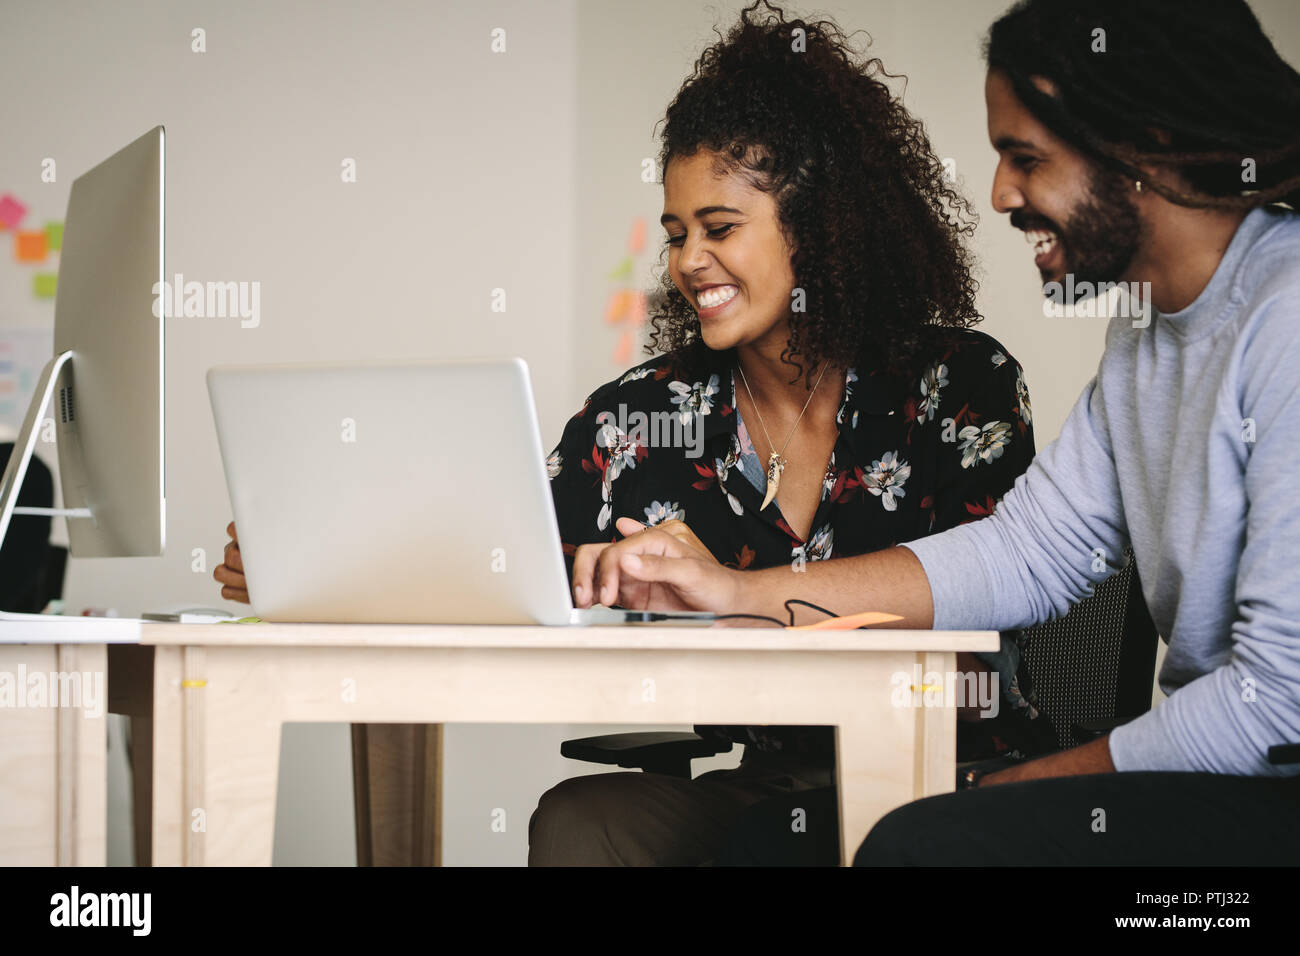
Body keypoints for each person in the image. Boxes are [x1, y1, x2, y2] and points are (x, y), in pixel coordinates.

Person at [214, 0, 1054, 866]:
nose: (690, 260)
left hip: (957, 781)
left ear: (821, 221)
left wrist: (731, 589)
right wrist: (319, 562)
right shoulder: (637, 421)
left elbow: (982, 602)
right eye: (678, 233)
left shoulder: (957, 386)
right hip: (768, 789)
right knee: (588, 822)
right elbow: (497, 560)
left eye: (721, 228)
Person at [577, 0, 1300, 866]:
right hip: (1206, 790)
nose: (1000, 194)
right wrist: (735, 593)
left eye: (1025, 159)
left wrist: (1007, 791)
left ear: (1142, 144)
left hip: (1261, 799)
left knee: (911, 849)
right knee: (780, 842)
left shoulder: (1286, 318)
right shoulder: (1147, 334)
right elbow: (1028, 552)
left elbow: (1277, 706)